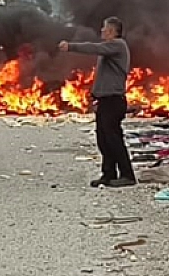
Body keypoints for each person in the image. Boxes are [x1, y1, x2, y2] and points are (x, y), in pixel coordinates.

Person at [58, 17, 135, 188]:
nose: (101, 31)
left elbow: (94, 47)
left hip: (113, 101)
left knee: (114, 139)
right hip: (104, 100)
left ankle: (127, 175)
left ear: (112, 31)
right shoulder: (108, 50)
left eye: (104, 28)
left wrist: (71, 46)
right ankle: (108, 174)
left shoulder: (118, 45)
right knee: (103, 139)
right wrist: (95, 96)